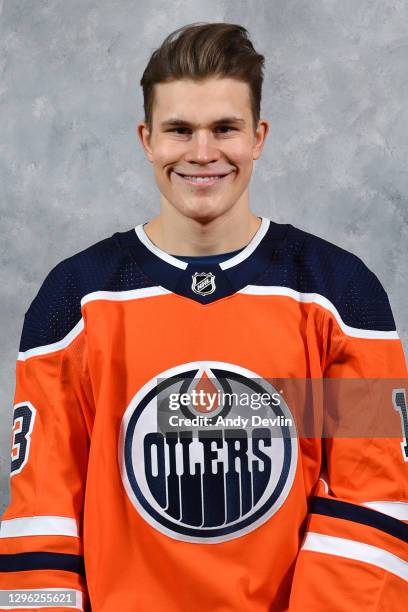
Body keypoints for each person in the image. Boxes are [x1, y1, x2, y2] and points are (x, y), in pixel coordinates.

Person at [0, 21, 407, 612]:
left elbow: (370, 495)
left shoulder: (336, 296)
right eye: (179, 130)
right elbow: (43, 512)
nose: (202, 153)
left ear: (259, 136)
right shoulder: (78, 301)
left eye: (225, 128)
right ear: (146, 139)